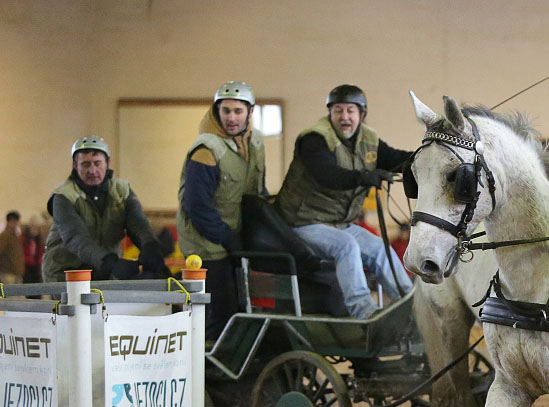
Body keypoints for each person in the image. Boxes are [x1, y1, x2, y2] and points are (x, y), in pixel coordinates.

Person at [276, 84, 413, 319]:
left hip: (340, 222)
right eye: (338, 110)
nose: (345, 116)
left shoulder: (369, 139)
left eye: (351, 110)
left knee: (381, 248)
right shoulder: (314, 139)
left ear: (362, 114)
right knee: (346, 246)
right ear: (330, 113)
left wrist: (427, 155)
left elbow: (395, 159)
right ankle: (365, 314)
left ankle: (413, 306)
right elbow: (327, 174)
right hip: (304, 222)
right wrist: (364, 177)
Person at [176, 81, 266, 338]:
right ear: (217, 112)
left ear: (250, 112)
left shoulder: (255, 142)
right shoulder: (207, 149)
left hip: (233, 235)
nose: (231, 118)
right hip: (206, 243)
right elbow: (197, 207)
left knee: (241, 305)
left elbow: (258, 191)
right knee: (221, 309)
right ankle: (207, 370)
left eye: (238, 111)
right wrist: (228, 238)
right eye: (225, 111)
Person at [43, 136, 169, 283]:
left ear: (108, 163)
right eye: (85, 164)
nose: (92, 170)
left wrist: (150, 246)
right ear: (74, 165)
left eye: (97, 163)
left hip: (106, 273)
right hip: (67, 274)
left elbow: (138, 223)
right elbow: (76, 238)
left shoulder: (122, 191)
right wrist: (110, 263)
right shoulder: (63, 196)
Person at [0, 211, 25, 284]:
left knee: (17, 295)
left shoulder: (15, 236)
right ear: (8, 222)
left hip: (17, 273)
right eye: (13, 221)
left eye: (16, 221)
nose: (15, 223)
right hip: (7, 273)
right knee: (10, 294)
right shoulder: (4, 236)